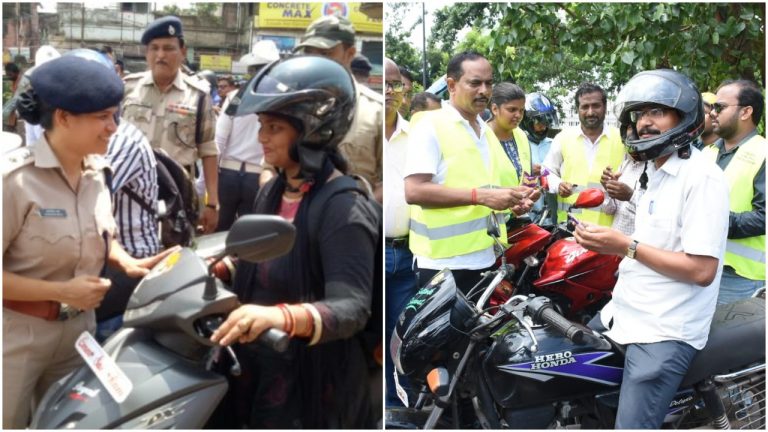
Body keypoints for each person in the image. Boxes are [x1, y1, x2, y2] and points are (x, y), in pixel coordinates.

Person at [3, 55, 174, 429]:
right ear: (64, 117)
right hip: (16, 337)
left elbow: (100, 234)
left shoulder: (97, 174)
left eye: (115, 116)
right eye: (103, 117)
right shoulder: (14, 182)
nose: (113, 127)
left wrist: (124, 260)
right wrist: (61, 291)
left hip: (79, 335)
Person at [210, 55, 377, 428]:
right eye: (261, 125)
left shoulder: (344, 208)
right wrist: (220, 266)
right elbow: (260, 257)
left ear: (312, 131)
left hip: (313, 382)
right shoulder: (272, 191)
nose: (261, 137)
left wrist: (278, 316)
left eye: (274, 127)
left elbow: (351, 307)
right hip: (261, 362)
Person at [574, 69, 729, 429]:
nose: (644, 122)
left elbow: (701, 270)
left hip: (664, 328)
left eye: (657, 112)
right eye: (640, 114)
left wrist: (623, 246)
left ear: (684, 116)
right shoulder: (654, 171)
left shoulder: (701, 178)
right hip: (624, 311)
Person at [404, 51, 538, 290]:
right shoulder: (430, 126)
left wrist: (511, 200)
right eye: (475, 83)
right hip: (442, 265)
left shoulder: (485, 131)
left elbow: (485, 188)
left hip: (485, 257)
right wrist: (482, 196)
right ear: (451, 85)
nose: (484, 91)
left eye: (489, 83)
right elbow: (414, 191)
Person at [121, 15, 220, 234]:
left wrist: (212, 202)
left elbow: (208, 149)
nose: (160, 55)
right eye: (154, 48)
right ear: (146, 52)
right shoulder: (128, 88)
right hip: (131, 188)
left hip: (178, 192)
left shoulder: (198, 95)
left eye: (168, 48)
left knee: (177, 247)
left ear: (183, 51)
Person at [295, 15, 383, 203]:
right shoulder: (294, 105)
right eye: (309, 52)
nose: (316, 60)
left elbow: (391, 180)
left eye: (325, 53)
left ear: (350, 54)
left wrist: (362, 209)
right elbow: (269, 168)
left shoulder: (376, 111)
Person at [705, 79, 765, 304]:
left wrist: (716, 222)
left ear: (746, 112)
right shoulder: (707, 153)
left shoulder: (763, 154)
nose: (712, 113)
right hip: (701, 265)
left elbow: (764, 217)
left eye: (719, 107)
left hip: (740, 277)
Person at [383, 57, 417, 408]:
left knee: (401, 333)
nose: (389, 91)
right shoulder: (357, 133)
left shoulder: (415, 136)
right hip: (367, 251)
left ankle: (400, 406)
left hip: (407, 252)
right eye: (382, 84)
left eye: (394, 85)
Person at [214, 47, 278, 231]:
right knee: (248, 234)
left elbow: (219, 140)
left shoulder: (235, 97)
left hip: (227, 174)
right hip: (259, 175)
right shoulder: (278, 99)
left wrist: (206, 183)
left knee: (219, 230)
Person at [543, 83, 625, 226]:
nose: (590, 112)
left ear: (605, 107)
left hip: (609, 230)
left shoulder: (622, 140)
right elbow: (546, 172)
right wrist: (558, 185)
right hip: (571, 227)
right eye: (585, 107)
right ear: (577, 109)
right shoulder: (563, 138)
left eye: (596, 106)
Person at [521, 92, 560, 224]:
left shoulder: (554, 144)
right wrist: (528, 170)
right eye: (539, 123)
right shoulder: (519, 145)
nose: (543, 127)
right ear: (526, 122)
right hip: (527, 216)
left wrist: (547, 171)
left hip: (552, 217)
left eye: (546, 122)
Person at [488, 83, 534, 190]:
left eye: (521, 110)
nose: (518, 115)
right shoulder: (481, 137)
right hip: (491, 201)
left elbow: (527, 175)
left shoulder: (521, 135)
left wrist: (530, 192)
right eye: (512, 110)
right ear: (495, 109)